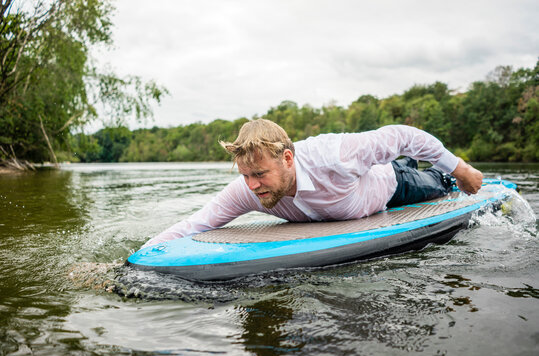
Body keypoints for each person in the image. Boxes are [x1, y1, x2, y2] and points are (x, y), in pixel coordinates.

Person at [142, 119, 483, 248]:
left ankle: (445, 175)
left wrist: (461, 170)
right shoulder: (250, 190)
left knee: (440, 182)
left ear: (288, 159)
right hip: (356, 200)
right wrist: (136, 260)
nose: (253, 185)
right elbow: (194, 224)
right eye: (245, 176)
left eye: (260, 174)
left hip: (394, 185)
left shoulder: (334, 154)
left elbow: (403, 135)